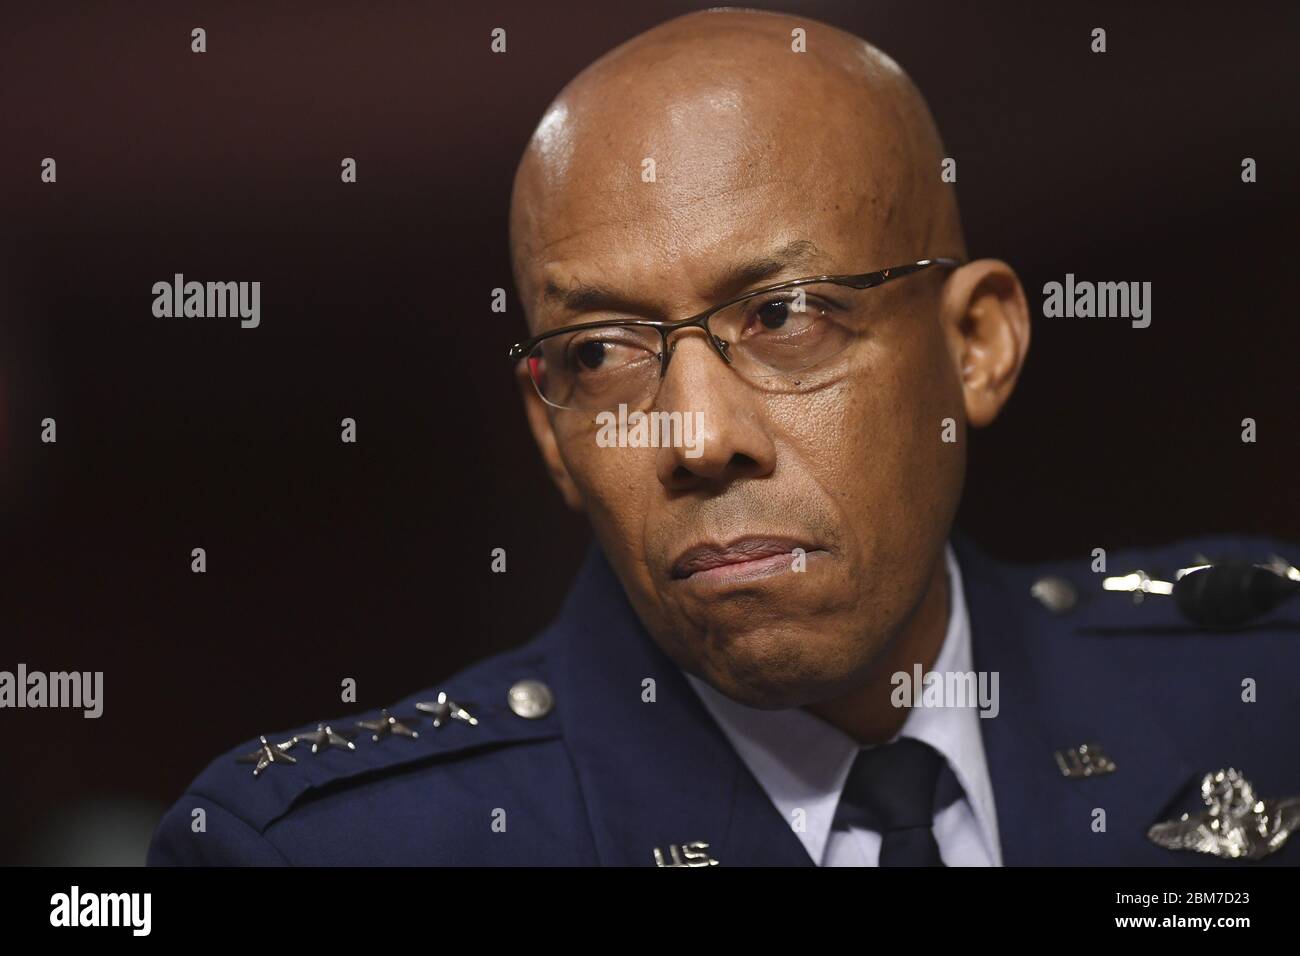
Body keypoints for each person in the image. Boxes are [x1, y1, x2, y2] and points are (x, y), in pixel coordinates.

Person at [148, 8, 1300, 867]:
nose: (695, 435)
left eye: (786, 316)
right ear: (551, 433)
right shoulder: (343, 849)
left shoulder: (1258, 689)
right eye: (599, 352)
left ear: (977, 346)